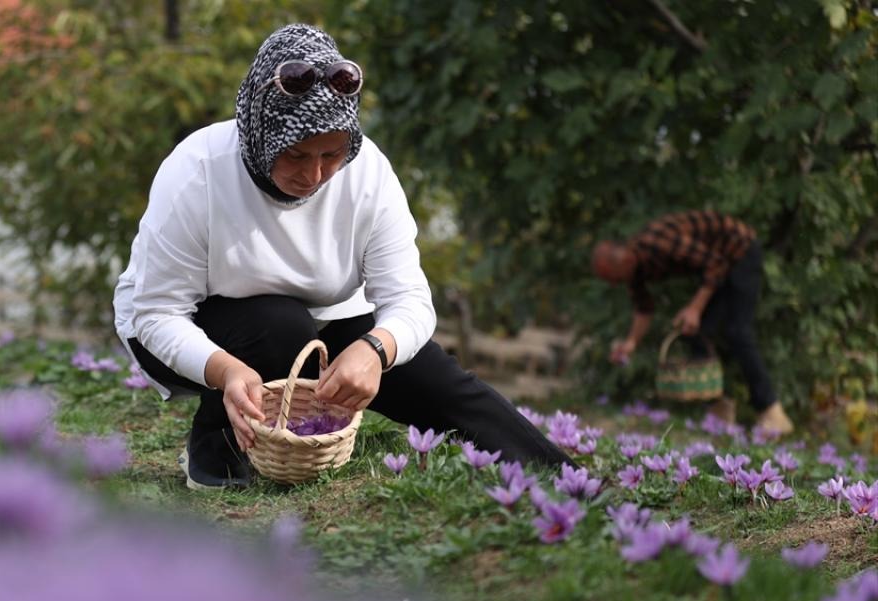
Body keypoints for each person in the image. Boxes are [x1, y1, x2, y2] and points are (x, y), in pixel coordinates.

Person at [113, 24, 571, 490]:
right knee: (281, 326)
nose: (314, 175)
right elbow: (158, 313)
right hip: (193, 324)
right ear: (261, 131)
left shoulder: (368, 173)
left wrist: (375, 349)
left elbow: (410, 301)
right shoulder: (199, 171)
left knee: (437, 382)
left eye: (331, 154)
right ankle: (217, 447)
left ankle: (564, 477)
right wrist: (225, 370)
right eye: (296, 155)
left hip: (322, 321)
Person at [591, 210, 793, 435]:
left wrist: (695, 309)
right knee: (695, 332)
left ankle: (772, 412)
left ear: (625, 260)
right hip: (721, 265)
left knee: (738, 332)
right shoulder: (633, 267)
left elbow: (716, 264)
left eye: (615, 278)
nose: (615, 284)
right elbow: (644, 308)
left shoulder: (659, 243)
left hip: (740, 250)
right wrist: (630, 343)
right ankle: (719, 409)